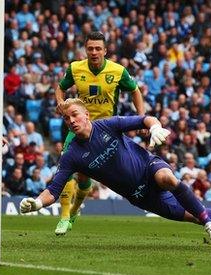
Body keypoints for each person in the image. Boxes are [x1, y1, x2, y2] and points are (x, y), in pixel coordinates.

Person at [19, 98, 211, 244]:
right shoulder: (72, 154)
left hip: (149, 167)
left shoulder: (108, 125)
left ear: (86, 115)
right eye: (66, 118)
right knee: (192, 216)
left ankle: (210, 224)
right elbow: (54, 189)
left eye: (74, 115)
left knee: (167, 178)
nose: (71, 121)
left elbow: (145, 119)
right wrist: (37, 204)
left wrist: (155, 128)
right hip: (139, 195)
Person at [54, 31, 145, 235]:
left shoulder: (118, 71)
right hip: (79, 126)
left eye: (97, 48)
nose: (94, 52)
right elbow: (60, 89)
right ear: (85, 50)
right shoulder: (75, 68)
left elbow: (135, 91)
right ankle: (64, 216)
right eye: (90, 48)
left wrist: (141, 119)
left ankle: (75, 212)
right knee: (66, 167)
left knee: (86, 178)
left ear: (105, 50)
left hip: (106, 130)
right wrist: (61, 104)